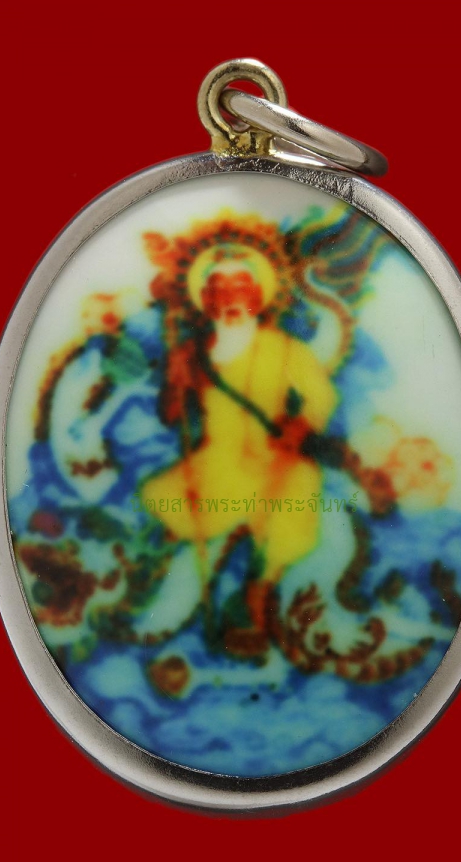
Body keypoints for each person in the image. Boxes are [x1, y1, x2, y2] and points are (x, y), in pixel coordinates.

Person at [142, 242, 339, 655]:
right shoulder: (193, 353)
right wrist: (176, 381)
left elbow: (320, 396)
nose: (231, 298)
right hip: (218, 460)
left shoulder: (284, 348)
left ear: (257, 296)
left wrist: (300, 426)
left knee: (298, 485)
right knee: (167, 501)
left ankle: (258, 592)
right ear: (206, 300)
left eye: (240, 288)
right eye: (220, 290)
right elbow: (170, 415)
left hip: (273, 457)